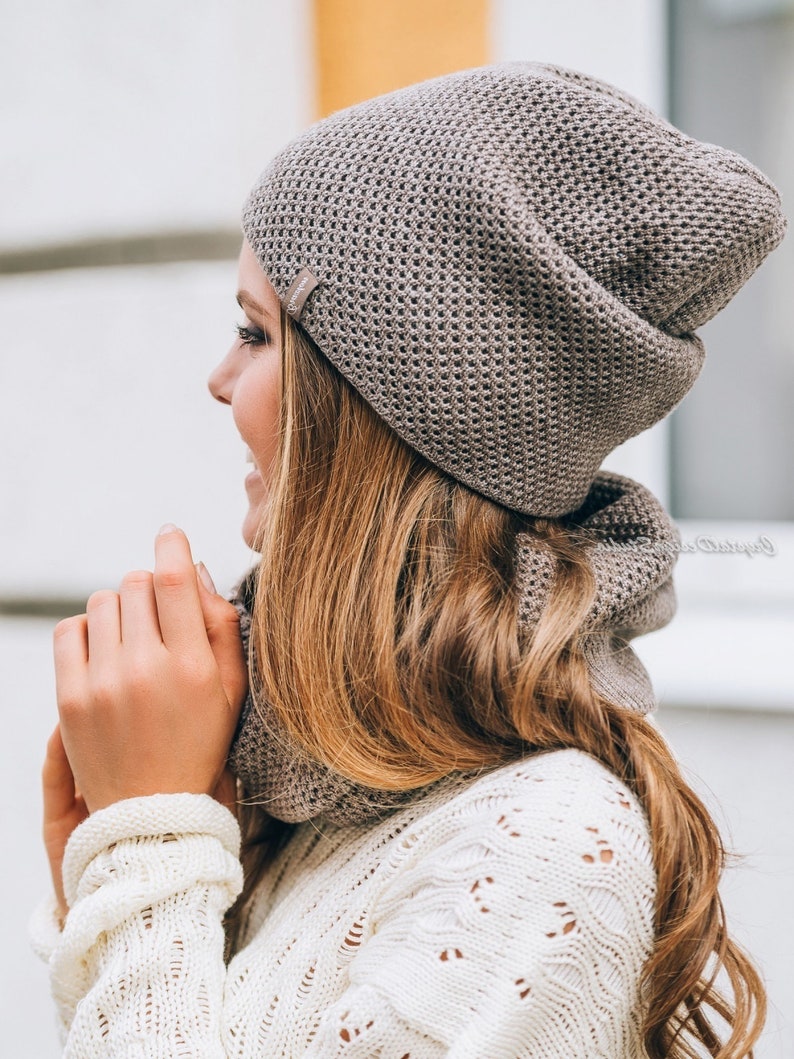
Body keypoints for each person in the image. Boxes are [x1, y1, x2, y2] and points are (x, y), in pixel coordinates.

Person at [31, 62, 786, 1058]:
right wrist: (140, 871)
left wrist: (149, 851)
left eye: (255, 332)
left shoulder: (538, 851)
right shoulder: (308, 780)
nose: (218, 383)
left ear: (385, 416)